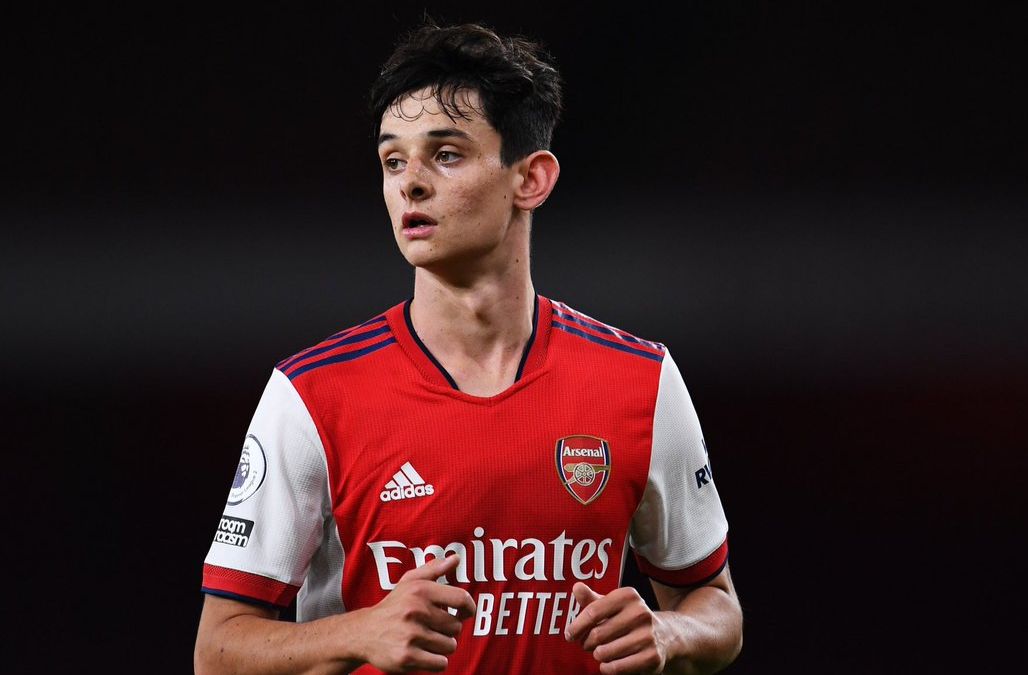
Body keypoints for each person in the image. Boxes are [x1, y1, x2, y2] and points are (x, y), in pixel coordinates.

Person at [194, 22, 743, 674]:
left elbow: (716, 605)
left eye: (446, 154)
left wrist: (669, 632)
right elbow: (217, 651)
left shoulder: (640, 382)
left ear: (531, 179)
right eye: (393, 161)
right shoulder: (312, 394)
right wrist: (359, 632)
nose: (410, 183)